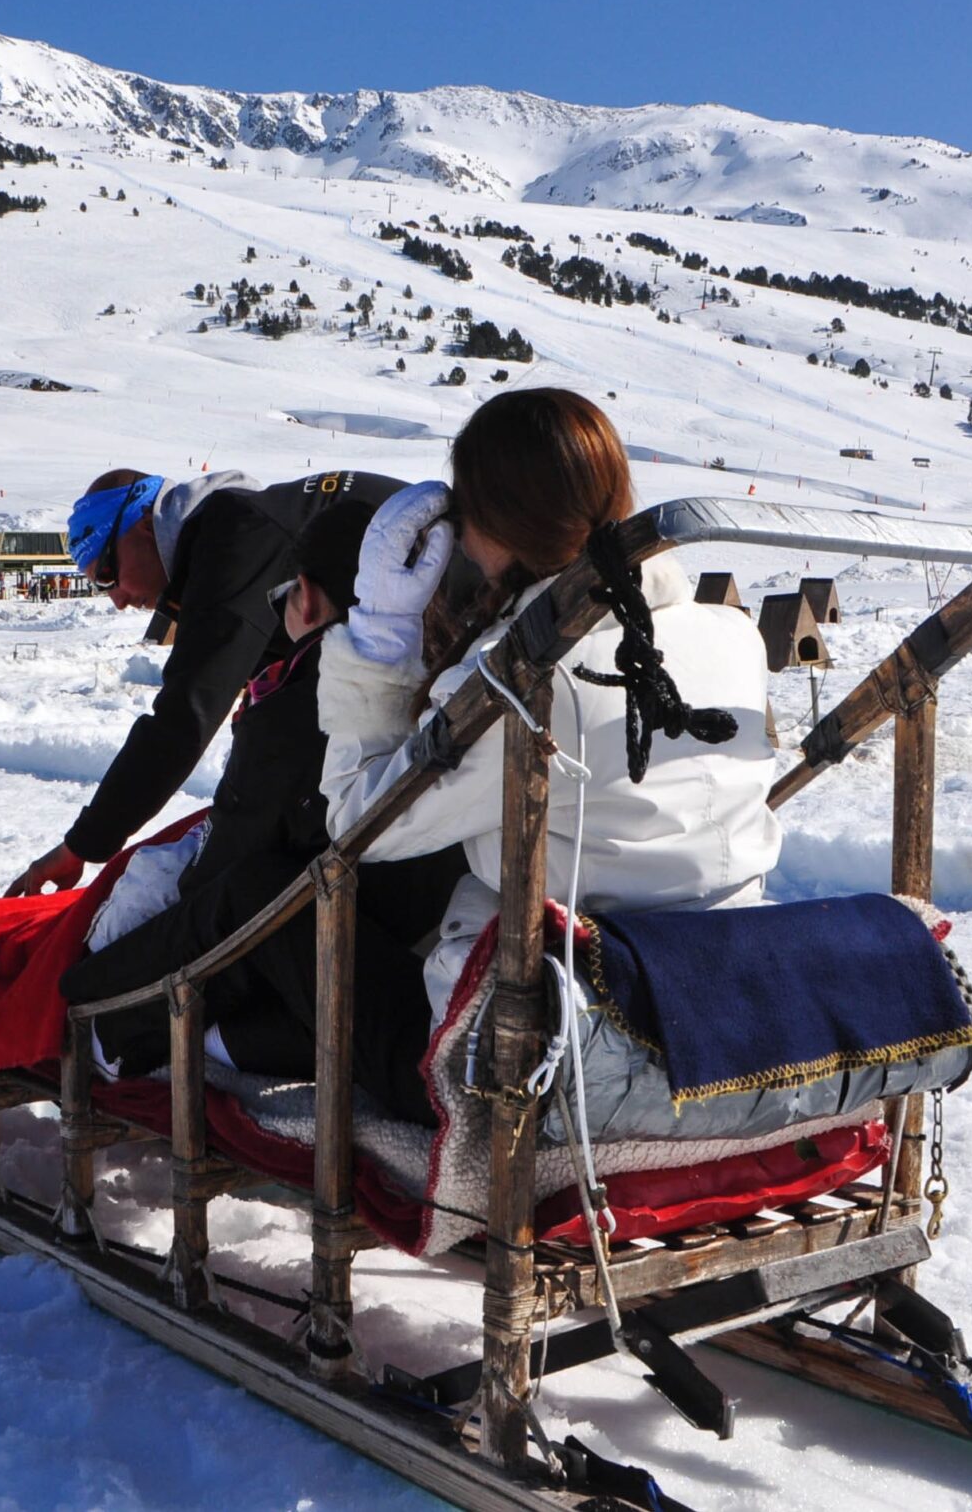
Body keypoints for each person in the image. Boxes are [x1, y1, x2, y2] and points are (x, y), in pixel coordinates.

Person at [312, 388, 782, 1118]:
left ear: (499, 521)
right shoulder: (733, 635)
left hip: (559, 1039)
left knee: (294, 948)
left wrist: (378, 637)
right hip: (719, 995)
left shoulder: (522, 681)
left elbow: (358, 825)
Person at [57, 500, 464, 1083]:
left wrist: (100, 976)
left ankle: (102, 1017)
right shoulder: (457, 680)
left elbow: (226, 871)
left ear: (307, 597)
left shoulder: (306, 699)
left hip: (356, 1003)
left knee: (235, 894)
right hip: (427, 955)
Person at [4, 463, 403, 898]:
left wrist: (82, 845)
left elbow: (183, 718)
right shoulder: (237, 535)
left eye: (106, 574)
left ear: (142, 523)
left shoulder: (234, 539)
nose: (116, 599)